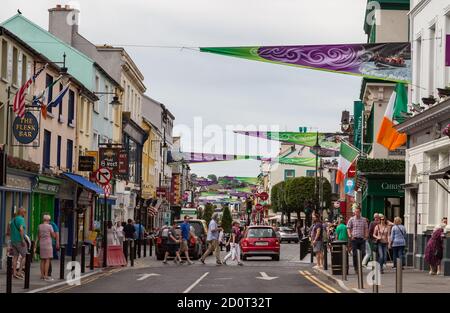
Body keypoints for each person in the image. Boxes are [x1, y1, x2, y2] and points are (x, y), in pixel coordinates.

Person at [347, 207, 369, 272]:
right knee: (355, 254)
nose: (357, 213)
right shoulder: (351, 219)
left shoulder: (364, 220)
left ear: (360, 212)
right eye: (355, 212)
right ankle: (356, 267)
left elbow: (366, 228)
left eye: (358, 212)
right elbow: (348, 227)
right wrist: (350, 235)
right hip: (354, 239)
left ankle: (360, 265)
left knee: (363, 253)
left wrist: (366, 236)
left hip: (362, 239)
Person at [35, 214, 56, 281]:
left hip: (41, 244)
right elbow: (53, 236)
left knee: (42, 260)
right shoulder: (50, 226)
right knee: (47, 260)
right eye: (49, 220)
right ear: (48, 220)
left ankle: (42, 275)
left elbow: (38, 236)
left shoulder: (39, 226)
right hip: (48, 244)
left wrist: (35, 244)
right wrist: (54, 234)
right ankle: (46, 275)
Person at [9, 207, 28, 280]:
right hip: (19, 241)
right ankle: (19, 272)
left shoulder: (13, 219)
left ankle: (14, 273)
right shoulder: (21, 219)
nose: (25, 214)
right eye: (25, 212)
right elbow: (21, 229)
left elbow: (10, 230)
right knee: (25, 255)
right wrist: (22, 240)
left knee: (15, 257)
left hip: (13, 240)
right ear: (22, 213)